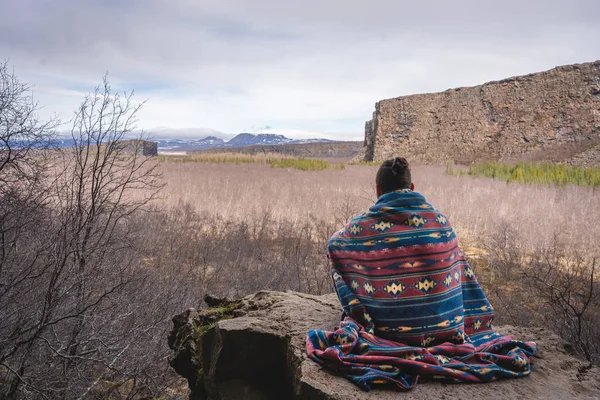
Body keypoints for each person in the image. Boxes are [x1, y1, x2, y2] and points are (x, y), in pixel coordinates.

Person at [306, 157, 536, 391]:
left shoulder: (360, 228)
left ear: (378, 190)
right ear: (412, 188)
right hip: (447, 333)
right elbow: (460, 273)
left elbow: (334, 246)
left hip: (385, 334)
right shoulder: (440, 222)